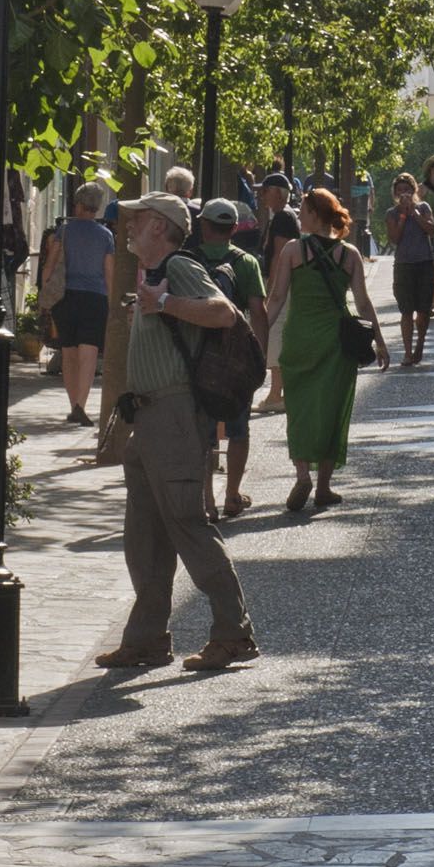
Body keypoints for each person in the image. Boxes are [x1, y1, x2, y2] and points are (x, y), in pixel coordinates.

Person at [97, 191, 258, 674]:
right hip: (147, 420)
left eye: (137, 219)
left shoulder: (179, 268)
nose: (128, 226)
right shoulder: (152, 275)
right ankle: (146, 640)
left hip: (173, 418)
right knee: (144, 536)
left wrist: (165, 302)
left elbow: (225, 313)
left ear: (161, 227)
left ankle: (234, 634)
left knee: (188, 524)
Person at [270, 188, 384, 510]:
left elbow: (277, 298)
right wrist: (380, 340)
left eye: (303, 211)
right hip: (336, 342)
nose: (300, 217)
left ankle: (302, 473)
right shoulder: (349, 254)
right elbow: (362, 302)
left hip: (300, 339)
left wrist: (257, 334)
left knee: (300, 408)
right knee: (333, 410)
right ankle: (323, 487)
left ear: (315, 215)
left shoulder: (293, 250)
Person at [190, 199, 271, 519]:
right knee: (238, 428)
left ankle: (207, 499)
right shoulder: (247, 262)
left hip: (197, 356)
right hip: (235, 357)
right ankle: (232, 494)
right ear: (234, 229)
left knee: (203, 431)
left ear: (204, 225)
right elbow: (259, 313)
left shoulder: (188, 261)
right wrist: (259, 357)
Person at [42, 182, 115, 425]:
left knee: (69, 352)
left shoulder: (65, 231)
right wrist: (112, 302)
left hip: (66, 297)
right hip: (95, 298)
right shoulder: (106, 235)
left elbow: (51, 265)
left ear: (79, 204)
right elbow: (109, 272)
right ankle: (80, 405)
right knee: (89, 354)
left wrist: (46, 292)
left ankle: (73, 402)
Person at [384, 171, 434, 366]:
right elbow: (394, 239)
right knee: (406, 310)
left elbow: (431, 230)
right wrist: (402, 215)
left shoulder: (423, 207)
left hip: (424, 263)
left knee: (423, 310)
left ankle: (420, 343)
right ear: (395, 193)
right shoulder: (391, 214)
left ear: (414, 191)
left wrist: (414, 212)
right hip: (404, 265)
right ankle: (408, 352)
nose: (404, 194)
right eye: (400, 191)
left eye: (407, 190)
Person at [253, 172, 297, 415]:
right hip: (284, 284)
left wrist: (271, 290)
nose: (262, 195)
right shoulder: (283, 217)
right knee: (277, 333)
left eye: (266, 190)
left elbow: (280, 256)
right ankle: (277, 392)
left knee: (276, 332)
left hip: (280, 284)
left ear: (278, 193)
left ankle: (275, 393)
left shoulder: (282, 218)